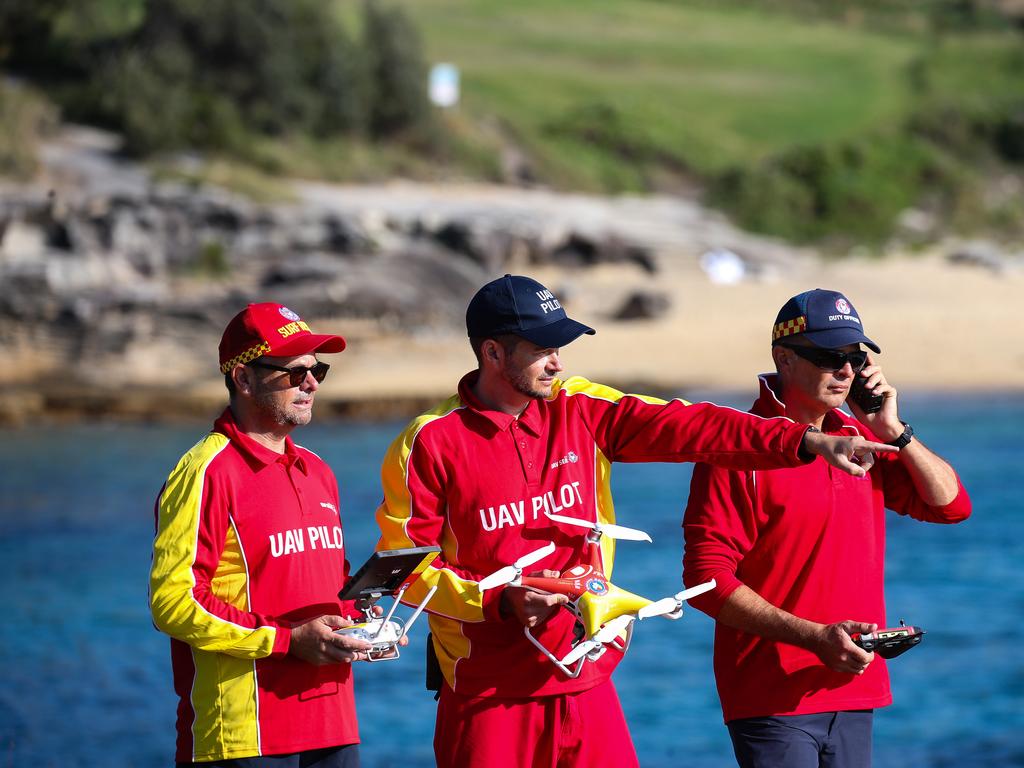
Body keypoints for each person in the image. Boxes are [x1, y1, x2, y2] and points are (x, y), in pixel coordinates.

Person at [374, 275, 894, 768]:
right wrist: (499, 600)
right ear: (492, 352)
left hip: (587, 679)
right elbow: (406, 573)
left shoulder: (582, 408)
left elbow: (692, 427)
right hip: (486, 694)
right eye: (542, 350)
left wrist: (805, 442)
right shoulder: (429, 441)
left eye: (560, 349)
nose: (556, 363)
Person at [682, 288, 972, 768]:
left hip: (855, 690)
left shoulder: (859, 439)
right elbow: (705, 582)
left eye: (855, 359)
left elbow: (950, 506)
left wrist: (893, 431)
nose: (845, 371)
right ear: (784, 360)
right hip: (773, 697)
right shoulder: (738, 449)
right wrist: (814, 637)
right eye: (828, 357)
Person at [150, 302, 380, 767]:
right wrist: (285, 640)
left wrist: (362, 616)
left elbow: (328, 581)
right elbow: (173, 602)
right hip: (242, 735)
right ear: (243, 378)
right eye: (294, 373)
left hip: (333, 724)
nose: (311, 383)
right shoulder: (205, 472)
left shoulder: (317, 470)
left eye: (316, 370)